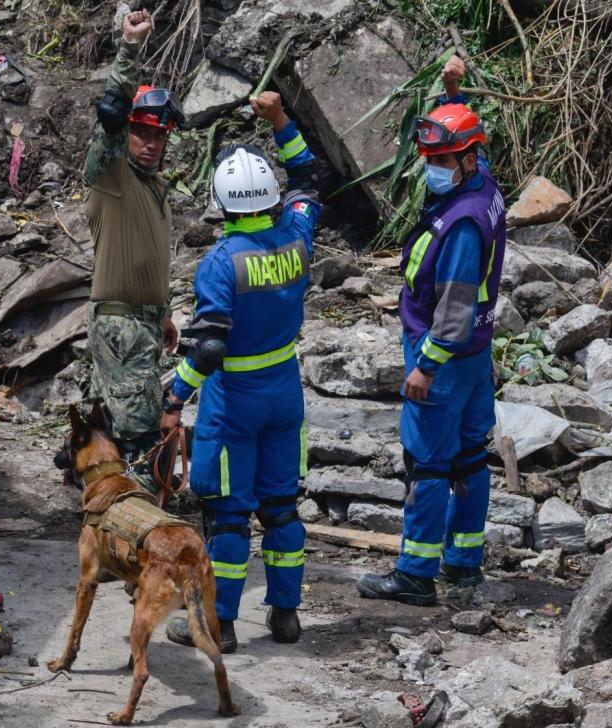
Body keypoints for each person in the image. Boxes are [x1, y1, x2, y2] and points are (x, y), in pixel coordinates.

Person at [159, 92, 321, 652]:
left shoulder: (222, 263)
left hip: (235, 403)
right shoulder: (297, 240)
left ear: (223, 205)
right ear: (270, 197)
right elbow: (307, 176)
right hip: (285, 394)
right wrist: (279, 120)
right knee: (280, 509)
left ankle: (219, 625)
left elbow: (207, 352)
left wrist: (175, 398)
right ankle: (286, 617)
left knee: (228, 516)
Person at [356, 56, 506, 607]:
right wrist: (453, 93)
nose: (432, 168)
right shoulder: (482, 184)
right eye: (430, 159)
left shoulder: (462, 222)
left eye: (442, 159)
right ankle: (464, 563)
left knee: (428, 464)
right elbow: (473, 142)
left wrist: (425, 365)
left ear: (463, 160)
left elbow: (456, 304)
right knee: (469, 458)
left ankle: (415, 571)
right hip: (474, 357)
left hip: (443, 356)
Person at [83, 8, 183, 462]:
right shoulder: (112, 177)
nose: (150, 142)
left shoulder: (155, 188)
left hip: (141, 324)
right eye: (142, 133)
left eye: (159, 135)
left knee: (112, 430)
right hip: (121, 328)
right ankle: (136, 521)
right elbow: (112, 110)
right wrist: (130, 47)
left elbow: (149, 258)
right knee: (139, 437)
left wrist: (161, 313)